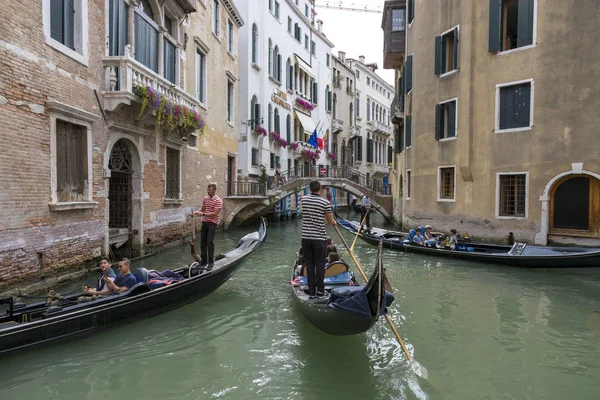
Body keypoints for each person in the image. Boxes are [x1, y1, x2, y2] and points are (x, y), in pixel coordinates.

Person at [301, 180, 336, 299]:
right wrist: (335, 222)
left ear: (309, 189)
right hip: (319, 238)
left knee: (309, 264)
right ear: (320, 189)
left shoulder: (304, 200)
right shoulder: (325, 202)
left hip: (306, 238)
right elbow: (331, 221)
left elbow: (303, 213)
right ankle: (320, 291)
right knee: (320, 265)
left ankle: (311, 292)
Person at [193, 182, 223, 269]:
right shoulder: (205, 198)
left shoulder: (218, 201)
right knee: (203, 242)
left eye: (209, 190)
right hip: (205, 222)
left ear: (214, 190)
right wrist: (195, 213)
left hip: (213, 223)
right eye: (208, 189)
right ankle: (203, 260)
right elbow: (202, 210)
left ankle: (211, 262)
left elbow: (214, 213)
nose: (208, 191)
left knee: (210, 242)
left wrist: (202, 214)